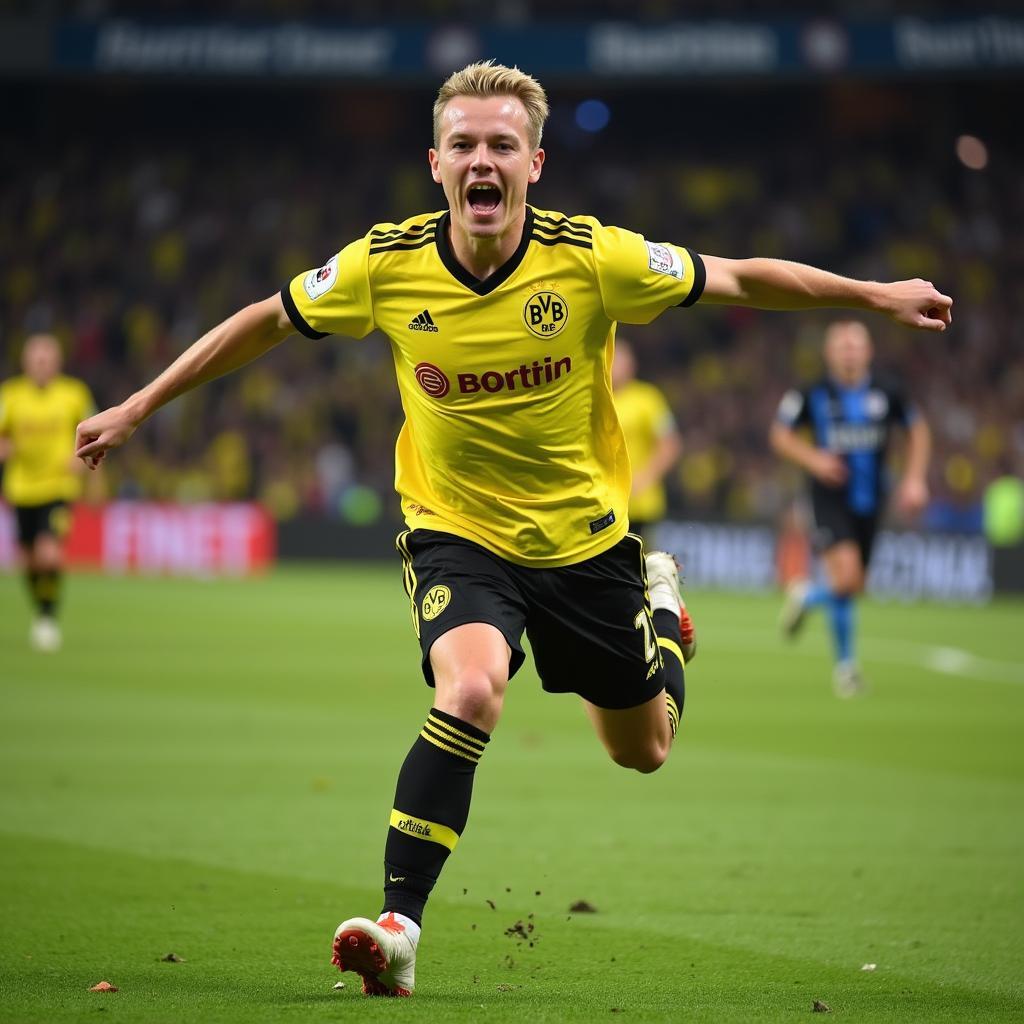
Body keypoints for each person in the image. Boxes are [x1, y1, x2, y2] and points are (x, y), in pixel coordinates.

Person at [74, 63, 952, 996]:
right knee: (472, 688)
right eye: (464, 145)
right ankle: (400, 928)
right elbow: (267, 321)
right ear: (436, 163)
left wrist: (874, 295)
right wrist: (137, 404)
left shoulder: (592, 259)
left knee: (643, 748)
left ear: (535, 163)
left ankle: (661, 612)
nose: (482, 161)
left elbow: (737, 276)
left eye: (501, 145)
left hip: (584, 545)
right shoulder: (384, 263)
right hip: (457, 533)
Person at [770, 320, 932, 697]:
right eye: (842, 345)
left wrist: (914, 479)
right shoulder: (811, 393)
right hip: (827, 499)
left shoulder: (888, 390)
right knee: (844, 578)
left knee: (853, 585)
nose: (849, 352)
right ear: (829, 353)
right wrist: (815, 460)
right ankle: (846, 667)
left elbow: (918, 430)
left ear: (868, 351)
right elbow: (780, 435)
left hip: (871, 500)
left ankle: (809, 598)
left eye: (856, 345)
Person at [0, 334, 95, 651]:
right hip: (22, 488)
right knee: (28, 561)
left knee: (48, 553)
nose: (41, 365)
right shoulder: (10, 396)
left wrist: (81, 459)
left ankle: (47, 617)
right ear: (26, 362)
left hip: (58, 486)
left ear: (57, 362)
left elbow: (94, 431)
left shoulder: (73, 394)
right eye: (36, 359)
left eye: (47, 359)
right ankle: (41, 610)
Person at [611, 337, 695, 659]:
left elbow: (670, 443)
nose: (615, 364)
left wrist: (645, 477)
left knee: (638, 574)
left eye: (622, 358)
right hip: (601, 505)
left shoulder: (648, 399)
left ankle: (661, 627)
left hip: (639, 504)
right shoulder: (595, 393)